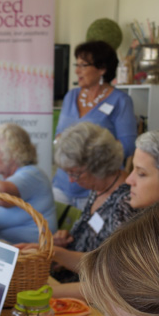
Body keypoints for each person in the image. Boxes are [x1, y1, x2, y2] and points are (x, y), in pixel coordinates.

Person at [44, 126, 159, 300]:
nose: (129, 179)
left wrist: (45, 290)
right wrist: (56, 253)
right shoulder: (156, 222)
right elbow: (105, 269)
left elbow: (112, 286)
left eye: (141, 173)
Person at [38, 122, 135, 283]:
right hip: (72, 276)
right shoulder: (98, 189)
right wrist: (67, 241)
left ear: (98, 165)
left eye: (75, 173)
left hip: (89, 289)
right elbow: (91, 239)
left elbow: (114, 268)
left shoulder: (126, 201)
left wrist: (60, 254)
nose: (71, 180)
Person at [52, 40, 137, 209]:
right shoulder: (71, 96)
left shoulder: (121, 101)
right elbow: (59, 136)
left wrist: (88, 156)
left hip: (96, 187)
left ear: (102, 68)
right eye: (77, 65)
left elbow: (128, 146)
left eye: (83, 65)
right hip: (62, 184)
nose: (77, 71)